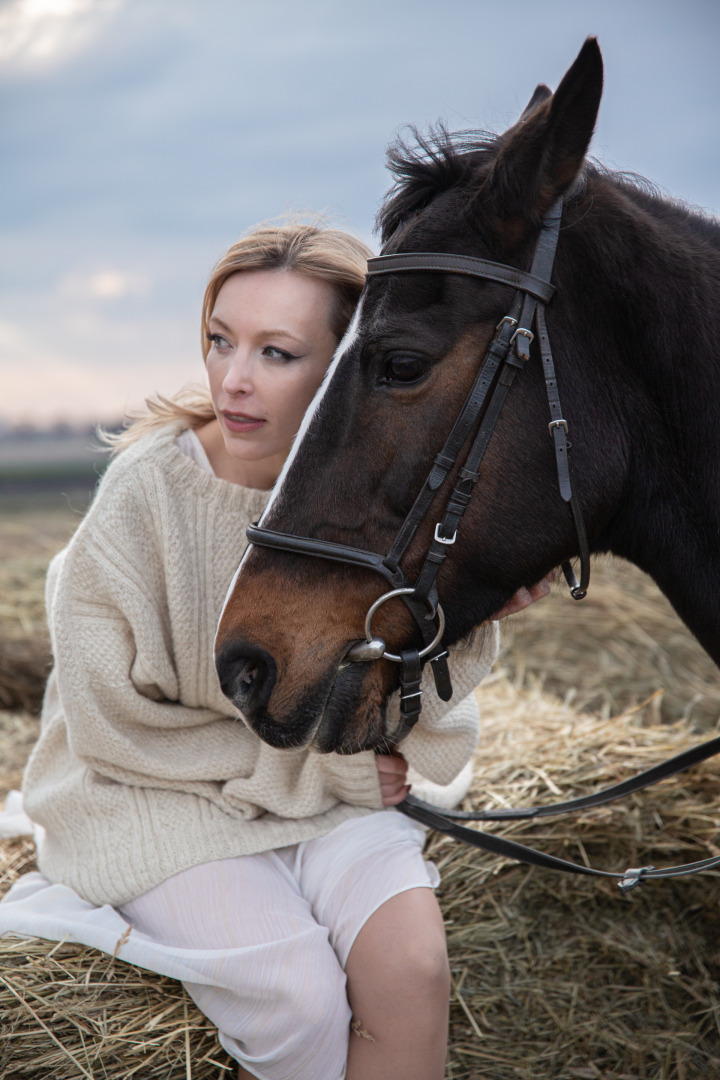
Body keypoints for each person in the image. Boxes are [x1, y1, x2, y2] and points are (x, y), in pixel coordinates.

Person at [0, 218, 549, 1080]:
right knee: (298, 1000)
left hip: (320, 794)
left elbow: (411, 697)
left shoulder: (382, 500)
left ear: (347, 368)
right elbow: (110, 731)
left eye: (276, 353)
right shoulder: (146, 494)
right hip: (153, 796)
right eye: (221, 341)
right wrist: (320, 773)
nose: (233, 379)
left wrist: (477, 617)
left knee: (413, 972)